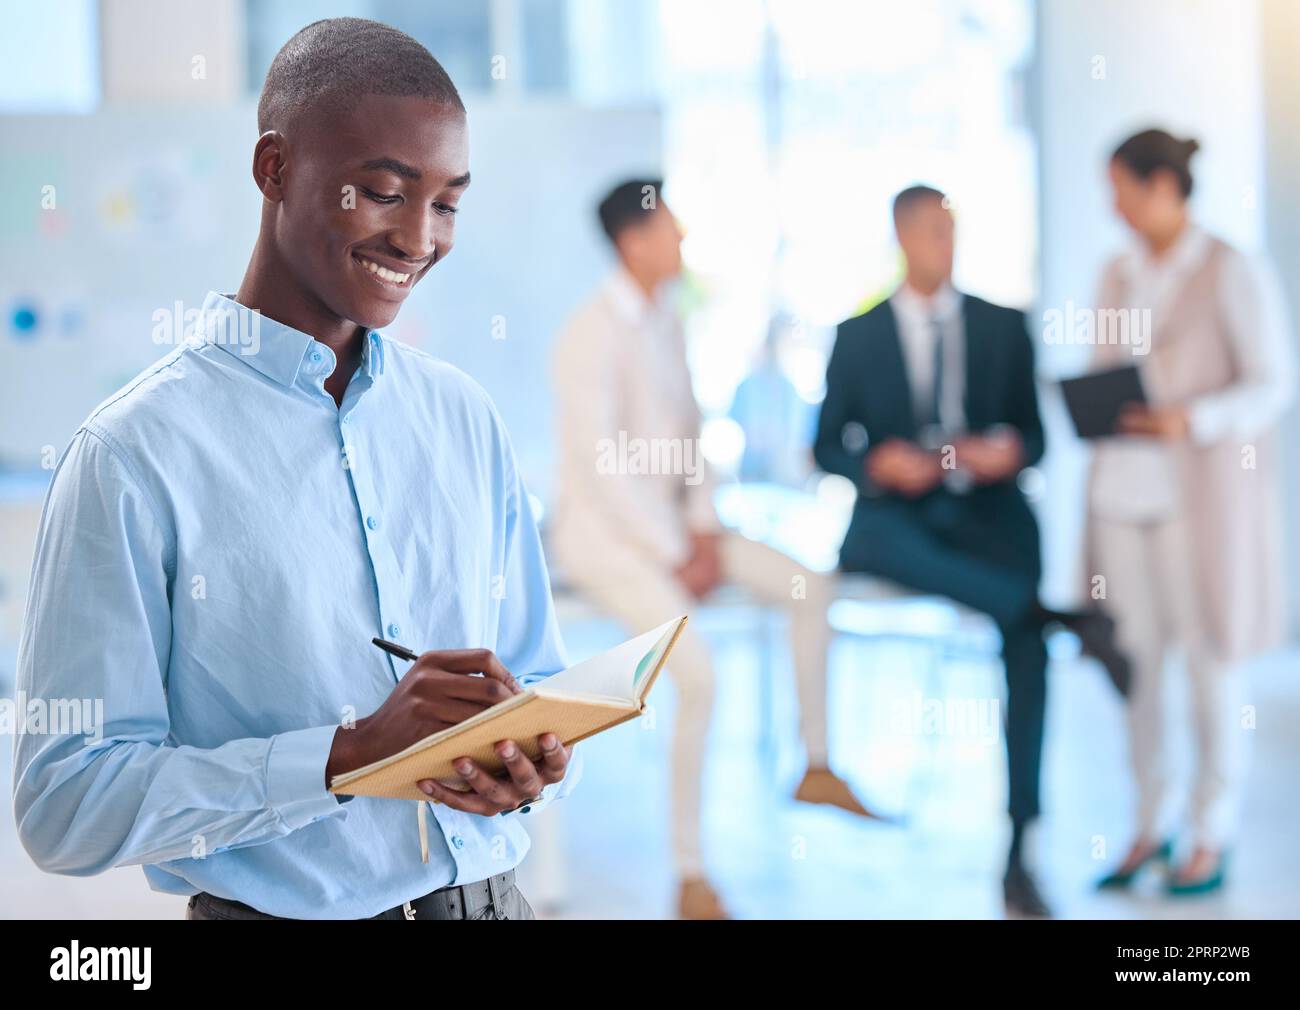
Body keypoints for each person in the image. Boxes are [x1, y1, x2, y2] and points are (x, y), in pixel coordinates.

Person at [12, 17, 580, 921]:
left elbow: (536, 673)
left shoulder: (464, 416)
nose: (418, 238)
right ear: (274, 170)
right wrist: (350, 757)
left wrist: (534, 754)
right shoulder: (131, 456)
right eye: (384, 192)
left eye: (447, 203)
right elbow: (66, 805)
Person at [550, 179, 879, 920]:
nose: (684, 238)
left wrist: (702, 526)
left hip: (683, 531)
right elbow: (604, 469)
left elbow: (691, 436)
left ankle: (817, 763)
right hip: (611, 542)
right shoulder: (590, 333)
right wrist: (676, 549)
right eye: (671, 225)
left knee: (808, 586)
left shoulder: (666, 319)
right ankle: (690, 875)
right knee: (698, 675)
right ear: (635, 241)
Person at [814, 184, 1129, 918]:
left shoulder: (1003, 326)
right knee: (875, 542)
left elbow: (1038, 439)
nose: (945, 246)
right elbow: (826, 445)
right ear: (901, 236)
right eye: (932, 233)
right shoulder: (857, 335)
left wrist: (1005, 451)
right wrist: (876, 466)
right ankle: (1055, 615)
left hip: (986, 511)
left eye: (953, 232)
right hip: (901, 516)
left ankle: (1020, 844)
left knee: (1022, 650)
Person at [1088, 129, 1295, 896]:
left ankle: (1212, 830)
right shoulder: (1115, 270)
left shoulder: (1229, 268)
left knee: (1208, 657)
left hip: (1195, 496)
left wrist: (1193, 419)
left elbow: (1274, 383)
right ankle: (1150, 821)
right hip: (1121, 489)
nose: (1112, 204)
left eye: (1121, 186)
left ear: (1161, 186)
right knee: (1135, 664)